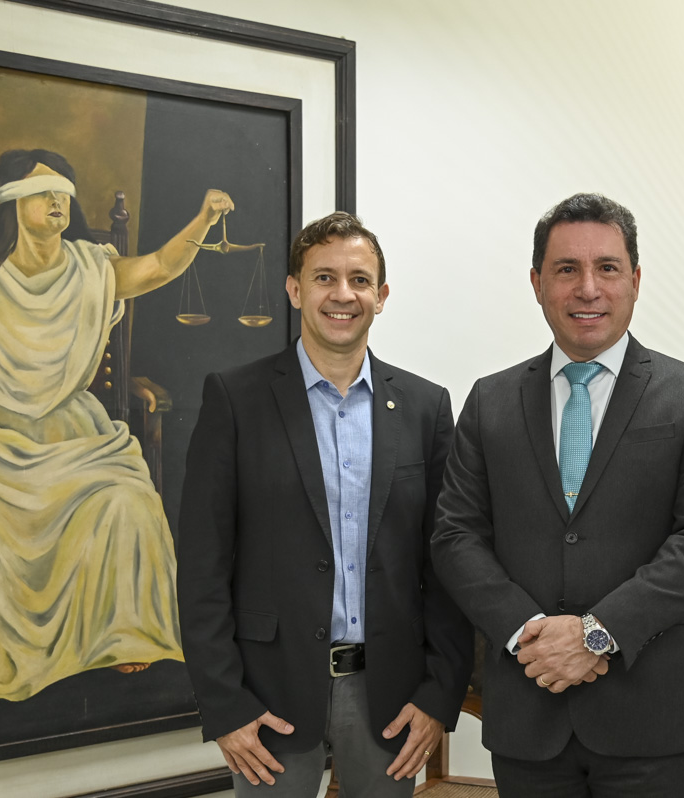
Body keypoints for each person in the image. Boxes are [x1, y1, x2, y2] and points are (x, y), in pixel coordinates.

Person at [0, 149, 234, 701]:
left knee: (128, 501)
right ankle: (18, 655)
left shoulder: (92, 268)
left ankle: (125, 633)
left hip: (76, 432)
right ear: (12, 204)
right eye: (44, 193)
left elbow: (162, 267)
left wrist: (205, 219)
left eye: (63, 193)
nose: (57, 202)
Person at [431, 193, 684, 797]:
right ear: (537, 282)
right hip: (529, 709)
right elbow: (455, 535)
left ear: (635, 280)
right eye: (566, 269)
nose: (588, 288)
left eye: (607, 268)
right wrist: (529, 631)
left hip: (652, 720)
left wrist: (597, 634)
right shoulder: (489, 401)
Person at [178, 212, 472, 796]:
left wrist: (439, 695)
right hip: (268, 698)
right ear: (294, 289)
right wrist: (225, 704)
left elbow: (449, 564)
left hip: (391, 699)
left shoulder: (425, 407)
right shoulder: (235, 399)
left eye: (360, 280)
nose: (344, 295)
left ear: (382, 296)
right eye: (324, 278)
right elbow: (200, 565)